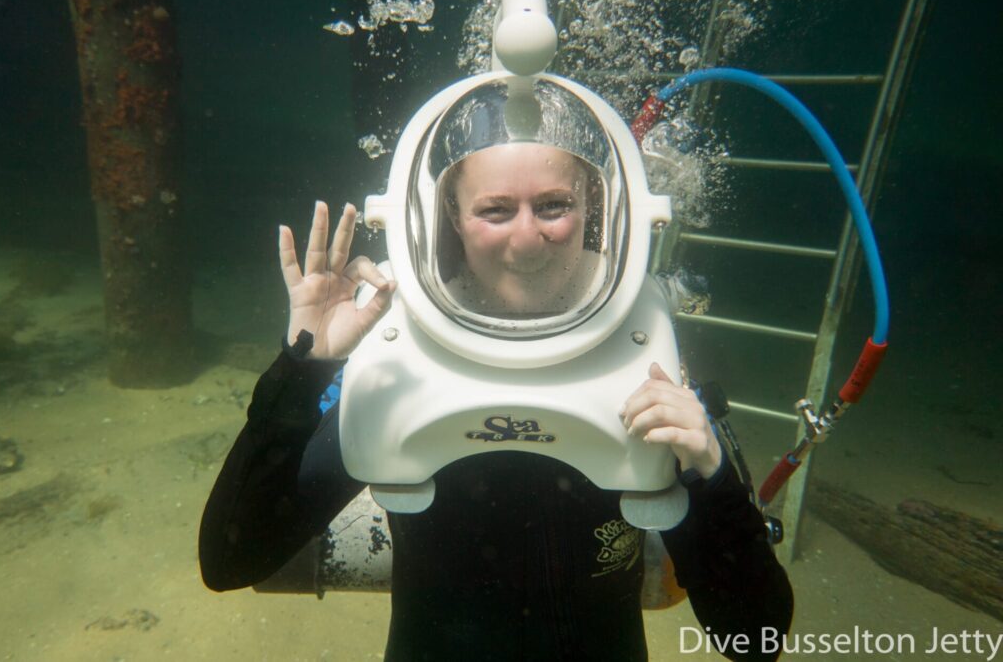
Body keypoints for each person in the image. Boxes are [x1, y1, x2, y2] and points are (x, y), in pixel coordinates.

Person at [199, 138, 794, 660]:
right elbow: (231, 562)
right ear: (451, 216)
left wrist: (711, 477)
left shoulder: (650, 358)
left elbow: (756, 637)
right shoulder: (401, 361)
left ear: (595, 206)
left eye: (555, 205)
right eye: (495, 209)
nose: (529, 239)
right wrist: (305, 365)